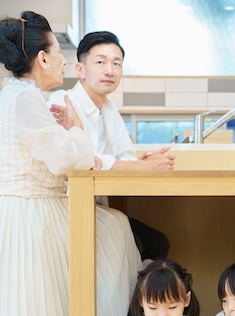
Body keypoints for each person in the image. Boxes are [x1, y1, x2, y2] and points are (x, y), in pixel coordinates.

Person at [0, 11, 142, 316]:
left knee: (114, 226)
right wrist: (78, 129)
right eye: (58, 51)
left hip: (24, 206)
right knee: (115, 230)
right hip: (24, 213)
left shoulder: (21, 95)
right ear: (42, 58)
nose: (64, 59)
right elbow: (65, 159)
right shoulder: (28, 100)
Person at [49, 31, 173, 262]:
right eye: (100, 62)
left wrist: (140, 164)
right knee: (138, 242)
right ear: (80, 69)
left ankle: (139, 297)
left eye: (116, 63)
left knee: (157, 242)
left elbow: (123, 156)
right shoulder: (61, 102)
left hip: (97, 208)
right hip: (63, 211)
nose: (110, 70)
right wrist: (134, 166)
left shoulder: (109, 108)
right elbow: (81, 163)